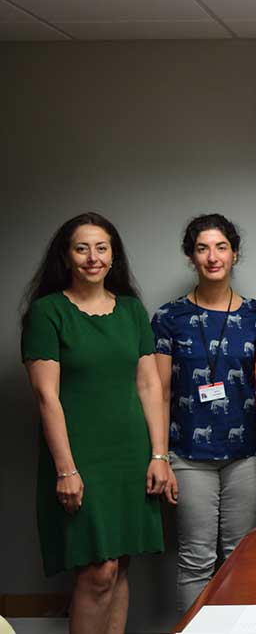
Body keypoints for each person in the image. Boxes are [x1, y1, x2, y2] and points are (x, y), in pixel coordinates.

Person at [20, 213, 170, 634]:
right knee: (96, 572)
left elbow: (149, 386)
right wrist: (66, 469)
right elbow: (46, 396)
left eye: (101, 248)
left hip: (129, 454)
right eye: (82, 248)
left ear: (113, 255)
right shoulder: (47, 314)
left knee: (119, 566)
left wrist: (159, 454)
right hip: (79, 456)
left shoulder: (132, 311)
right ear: (66, 257)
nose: (93, 257)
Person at [151, 214, 256, 612]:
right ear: (191, 256)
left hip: (246, 455)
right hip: (188, 456)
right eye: (202, 248)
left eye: (221, 247)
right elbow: (159, 391)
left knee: (241, 557)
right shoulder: (169, 318)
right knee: (196, 559)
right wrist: (160, 456)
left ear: (234, 254)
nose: (212, 257)